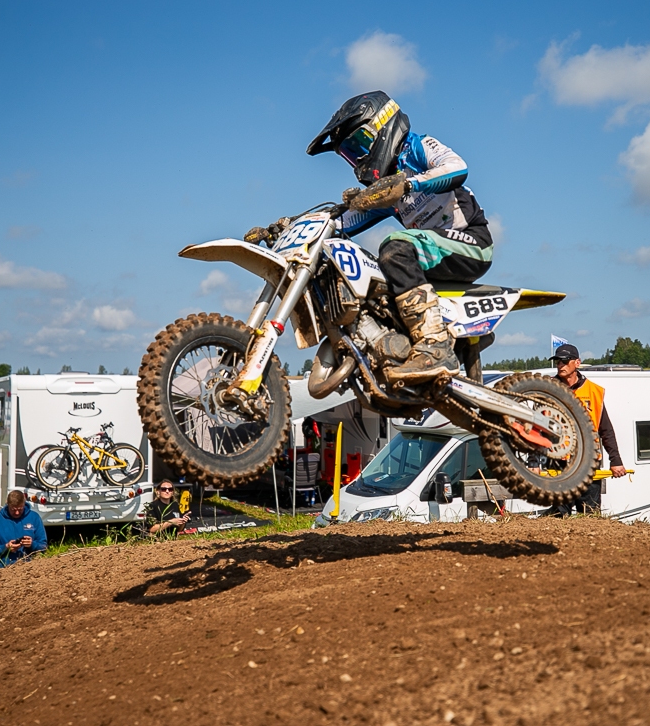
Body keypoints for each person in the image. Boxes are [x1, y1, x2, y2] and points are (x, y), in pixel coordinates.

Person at [255, 91, 492, 382]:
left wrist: (408, 184)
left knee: (395, 246)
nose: (357, 159)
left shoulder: (418, 147)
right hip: (432, 257)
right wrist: (290, 226)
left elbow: (457, 167)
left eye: (358, 145)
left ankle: (436, 347)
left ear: (381, 127)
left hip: (471, 243)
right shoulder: (385, 191)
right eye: (349, 154)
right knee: (367, 275)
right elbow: (340, 220)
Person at [550, 343, 625, 512]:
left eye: (564, 361)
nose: (560, 365)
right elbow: (536, 429)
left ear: (577, 363)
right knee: (559, 515)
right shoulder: (548, 389)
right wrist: (533, 461)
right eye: (557, 362)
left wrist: (616, 460)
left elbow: (605, 430)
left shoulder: (593, 391)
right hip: (559, 462)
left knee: (590, 514)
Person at [0, 490, 47, 567]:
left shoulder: (34, 517)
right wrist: (5, 547)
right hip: (5, 568)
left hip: (30, 567)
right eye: (13, 510)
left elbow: (43, 546)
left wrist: (32, 544)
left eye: (20, 509)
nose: (17, 513)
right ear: (8, 504)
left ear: (24, 504)